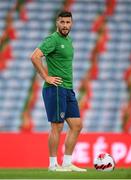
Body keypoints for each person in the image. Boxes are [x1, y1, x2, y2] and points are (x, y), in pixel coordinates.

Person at [31, 11, 86, 172]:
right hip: (55, 88)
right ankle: (53, 165)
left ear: (72, 24)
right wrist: (46, 76)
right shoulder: (52, 39)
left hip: (68, 88)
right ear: (57, 23)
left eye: (68, 22)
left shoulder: (69, 41)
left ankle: (67, 163)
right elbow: (35, 56)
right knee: (57, 126)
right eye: (62, 22)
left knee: (76, 125)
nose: (65, 26)